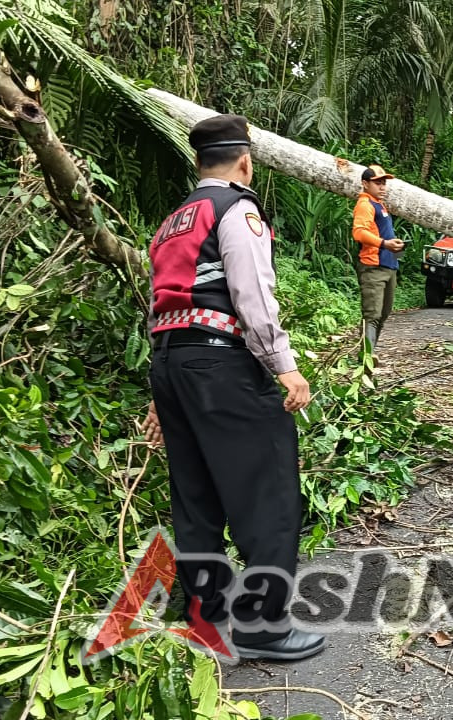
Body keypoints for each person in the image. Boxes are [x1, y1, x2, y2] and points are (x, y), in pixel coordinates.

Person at [141, 113, 325, 663]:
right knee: (267, 488)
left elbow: (164, 304)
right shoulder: (237, 209)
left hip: (172, 363)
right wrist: (283, 366)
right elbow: (253, 295)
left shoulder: (175, 218)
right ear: (245, 162)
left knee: (195, 496)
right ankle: (263, 626)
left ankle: (207, 617)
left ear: (199, 163)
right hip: (222, 364)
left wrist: (162, 390)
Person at [352, 164, 403, 354]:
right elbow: (359, 232)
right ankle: (366, 361)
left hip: (389, 265)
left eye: (384, 183)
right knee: (372, 315)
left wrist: (394, 247)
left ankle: (368, 355)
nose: (382, 187)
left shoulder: (379, 204)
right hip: (373, 267)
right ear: (365, 184)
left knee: (383, 314)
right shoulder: (365, 204)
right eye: (377, 183)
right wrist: (384, 244)